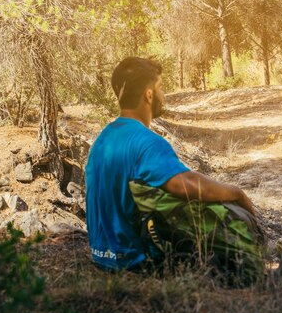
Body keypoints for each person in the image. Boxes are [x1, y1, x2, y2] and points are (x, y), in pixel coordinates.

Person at [85, 57, 265, 283]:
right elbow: (186, 185)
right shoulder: (147, 142)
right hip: (135, 262)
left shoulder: (103, 138)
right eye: (161, 88)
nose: (163, 95)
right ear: (149, 95)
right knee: (226, 211)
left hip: (102, 257)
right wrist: (237, 193)